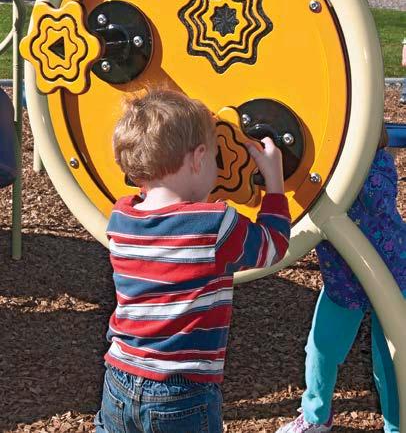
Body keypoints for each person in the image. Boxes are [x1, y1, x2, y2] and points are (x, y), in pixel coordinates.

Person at [95, 89, 291, 433]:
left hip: (119, 379)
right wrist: (274, 182)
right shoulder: (214, 225)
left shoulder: (122, 217)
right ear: (199, 158)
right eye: (216, 158)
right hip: (181, 392)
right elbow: (274, 246)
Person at [276, 124, 406, 433]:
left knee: (390, 363)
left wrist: (347, 173)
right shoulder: (321, 174)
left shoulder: (378, 165)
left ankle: (395, 426)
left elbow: (377, 198)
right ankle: (315, 416)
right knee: (321, 350)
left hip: (392, 279)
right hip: (343, 283)